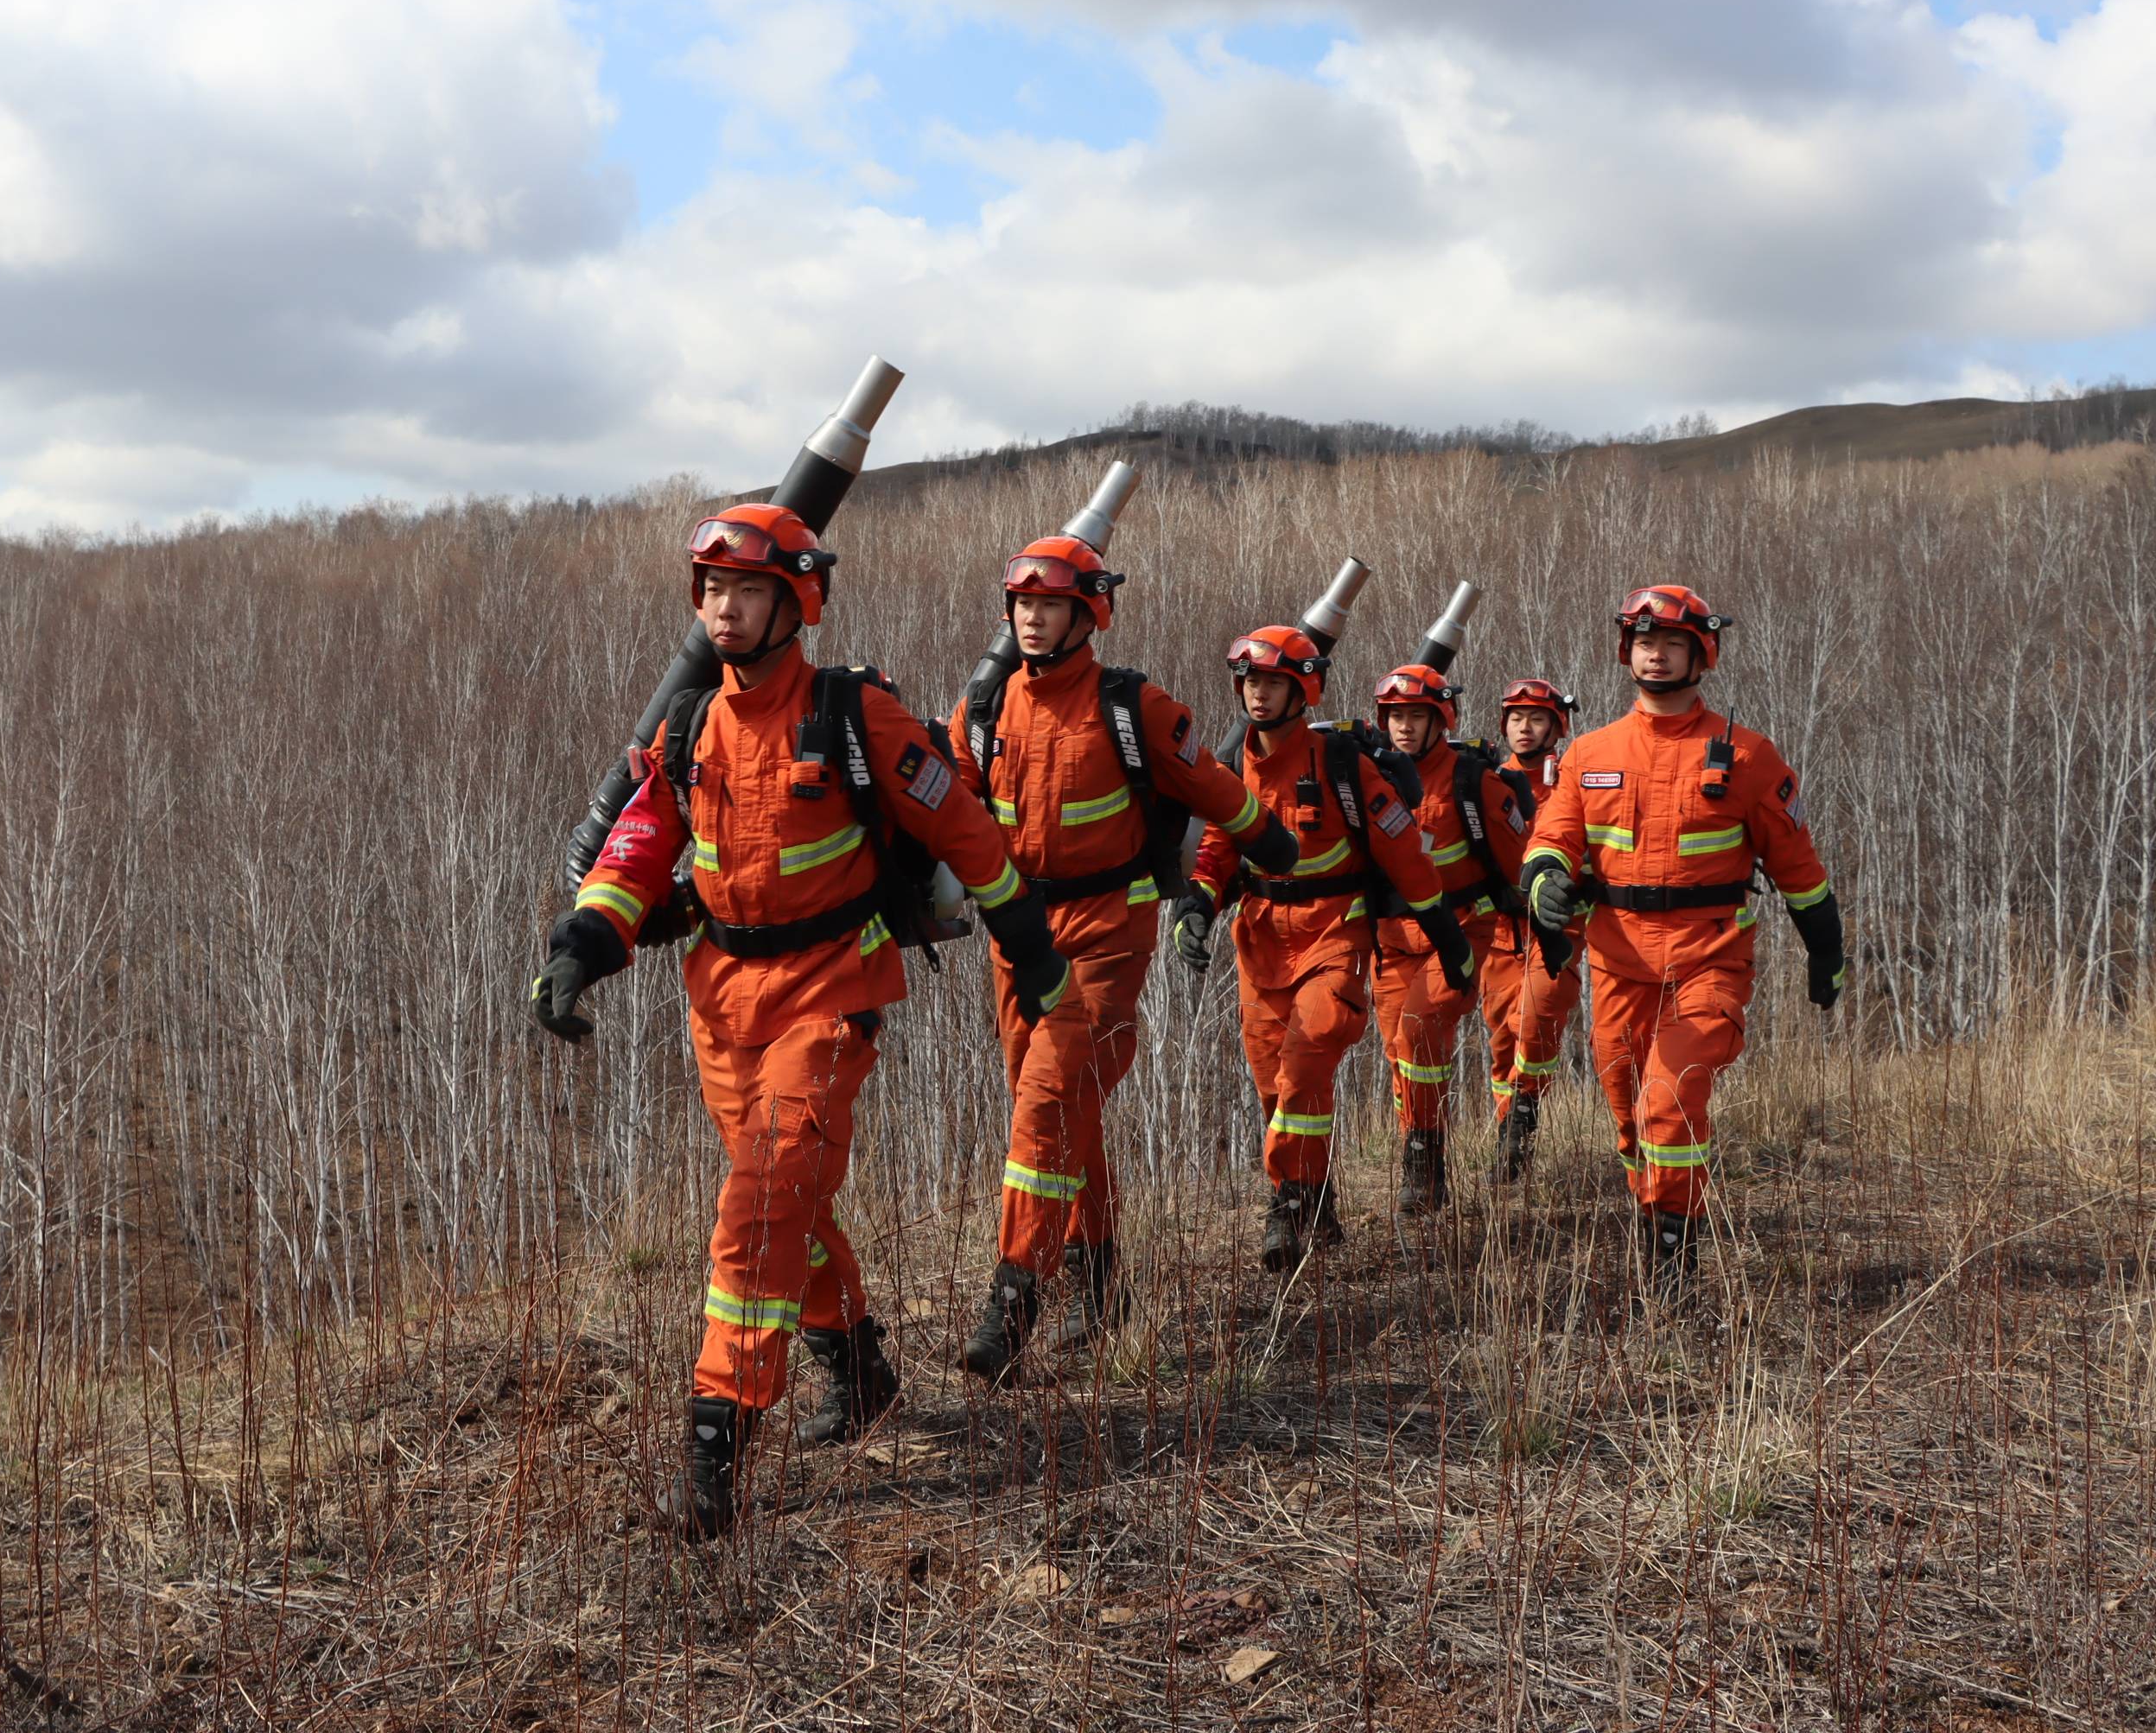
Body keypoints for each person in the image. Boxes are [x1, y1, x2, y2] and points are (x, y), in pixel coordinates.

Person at [527, 504, 1072, 1540]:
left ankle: (714, 1441)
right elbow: (642, 843)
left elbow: (961, 824)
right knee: (785, 1199)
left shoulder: (852, 714)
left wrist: (1032, 949)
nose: (722, 610)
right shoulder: (689, 726)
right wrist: (583, 945)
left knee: (762, 1205)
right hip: (721, 999)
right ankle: (855, 1363)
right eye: (711, 592)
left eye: (745, 592)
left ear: (797, 600)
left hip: (831, 993)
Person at [948, 538, 1299, 1381]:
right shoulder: (984, 706)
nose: (1032, 616)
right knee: (1060, 1113)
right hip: (1015, 933)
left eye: (1051, 603)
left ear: (1088, 609)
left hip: (1110, 927)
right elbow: (947, 807)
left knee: (1048, 1096)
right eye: (1021, 603)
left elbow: (1209, 780)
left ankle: (1015, 1293)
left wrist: (1264, 835)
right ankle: (1102, 1276)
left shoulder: (1128, 705)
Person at [1519, 586, 1847, 1295]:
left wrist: (1827, 951)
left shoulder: (1750, 758)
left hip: (1709, 964)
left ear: (1703, 653)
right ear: (1625, 652)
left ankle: (1674, 1271)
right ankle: (1656, 1221)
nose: (1657, 655)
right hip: (1617, 965)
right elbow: (1553, 839)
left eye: (1671, 643)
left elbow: (1799, 869)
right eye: (1644, 643)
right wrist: (1545, 882)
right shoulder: (1588, 753)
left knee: (1669, 1104)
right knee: (1630, 1112)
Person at [1173, 627, 1472, 1266]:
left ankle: (1288, 1202)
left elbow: (1406, 856)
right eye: (1251, 681)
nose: (1259, 693)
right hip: (1258, 941)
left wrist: (1448, 937)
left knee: (1307, 1065)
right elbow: (1221, 847)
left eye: (1273, 681)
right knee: (1273, 1086)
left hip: (1333, 936)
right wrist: (1197, 902)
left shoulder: (1342, 765)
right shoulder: (1235, 766)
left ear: (1302, 688)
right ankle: (1317, 1203)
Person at [1369, 665, 1530, 1214]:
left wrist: (1544, 927)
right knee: (1401, 1053)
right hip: (1390, 938)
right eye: (1395, 717)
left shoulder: (1472, 781)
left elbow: (1517, 863)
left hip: (1460, 931)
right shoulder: (1369, 777)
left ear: (1441, 720)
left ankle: (1420, 1160)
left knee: (1419, 1030)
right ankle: (1428, 1162)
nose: (1404, 728)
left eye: (1416, 716)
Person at [1485, 679, 1578, 1181]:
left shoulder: (1571, 780)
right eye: (1516, 719)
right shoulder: (1487, 778)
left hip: (1556, 929)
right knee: (1503, 1036)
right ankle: (1509, 1135)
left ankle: (1525, 1107)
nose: (1524, 728)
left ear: (1555, 727)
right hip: (1499, 929)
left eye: (1536, 719)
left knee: (1537, 1017)